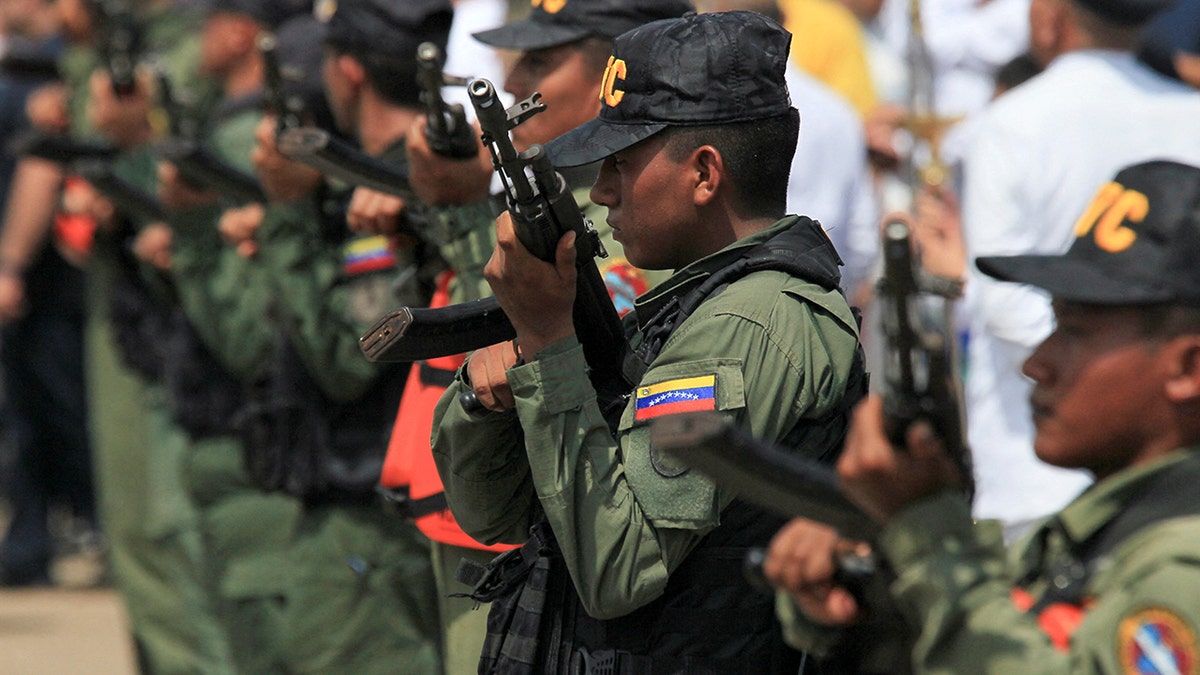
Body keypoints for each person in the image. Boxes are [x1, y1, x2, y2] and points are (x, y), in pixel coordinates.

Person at [431, 10, 866, 672]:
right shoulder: (691, 306)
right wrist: (485, 399)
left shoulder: (750, 321)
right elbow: (496, 515)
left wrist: (549, 344)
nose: (602, 190)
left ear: (704, 173)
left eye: (622, 164)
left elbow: (618, 565)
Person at [767, 159, 1200, 674]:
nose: (1036, 363)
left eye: (1077, 332)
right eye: (1053, 324)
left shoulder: (1181, 567)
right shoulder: (1101, 532)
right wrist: (860, 591)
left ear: (1188, 367)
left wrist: (926, 529)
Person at [395, 2, 690, 671]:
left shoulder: (632, 230)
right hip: (492, 513)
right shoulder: (551, 197)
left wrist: (468, 205)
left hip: (565, 539)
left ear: (611, 78)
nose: (515, 79)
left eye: (541, 61)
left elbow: (528, 336)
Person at [957, 0, 1200, 540]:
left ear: (1050, 16)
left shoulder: (1012, 120)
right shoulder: (1192, 110)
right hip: (1167, 466)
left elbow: (1003, 306)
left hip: (1034, 476)